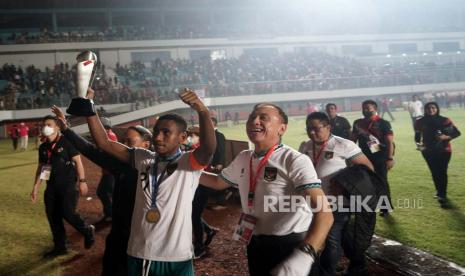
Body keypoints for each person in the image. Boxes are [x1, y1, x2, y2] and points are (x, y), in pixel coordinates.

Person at [86, 88, 216, 276]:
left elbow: (209, 148)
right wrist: (89, 107)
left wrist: (202, 111)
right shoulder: (143, 157)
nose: (157, 137)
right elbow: (104, 143)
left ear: (183, 137)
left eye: (165, 132)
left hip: (181, 255)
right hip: (147, 253)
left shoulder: (189, 162)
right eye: (156, 131)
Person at [200, 103, 334, 276]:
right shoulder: (244, 157)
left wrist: (304, 255)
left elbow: (324, 212)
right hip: (254, 241)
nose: (254, 121)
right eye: (252, 117)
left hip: (289, 245)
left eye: (263, 118)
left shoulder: (294, 160)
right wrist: (189, 172)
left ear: (282, 128)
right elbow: (219, 182)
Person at [52, 104, 152, 276]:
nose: (124, 145)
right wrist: (66, 129)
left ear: (146, 144)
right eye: (124, 140)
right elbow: (91, 150)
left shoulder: (157, 169)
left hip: (143, 240)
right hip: (118, 236)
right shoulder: (120, 165)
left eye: (130, 141)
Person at [299, 112, 373, 276]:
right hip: (313, 203)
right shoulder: (305, 146)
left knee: (330, 239)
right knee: (343, 236)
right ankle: (358, 263)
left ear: (328, 127)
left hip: (338, 204)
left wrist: (345, 186)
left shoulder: (344, 145)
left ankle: (326, 273)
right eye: (308, 129)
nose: (312, 132)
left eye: (316, 128)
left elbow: (367, 169)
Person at [30, 115, 95, 258]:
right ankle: (60, 246)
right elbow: (44, 168)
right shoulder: (43, 147)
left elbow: (78, 162)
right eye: (44, 124)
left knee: (68, 213)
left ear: (57, 127)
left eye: (49, 124)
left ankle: (87, 230)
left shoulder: (67, 142)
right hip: (51, 187)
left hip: (68, 186)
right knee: (53, 216)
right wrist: (36, 187)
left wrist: (82, 181)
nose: (45, 127)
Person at [352, 100, 395, 216]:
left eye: (368, 108)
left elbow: (390, 142)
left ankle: (385, 208)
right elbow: (352, 141)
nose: (365, 110)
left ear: (375, 108)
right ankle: (369, 206)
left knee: (381, 182)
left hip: (380, 156)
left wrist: (390, 158)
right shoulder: (357, 123)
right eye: (363, 108)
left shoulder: (383, 123)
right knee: (366, 182)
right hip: (363, 157)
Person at [414, 102, 461, 206]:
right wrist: (420, 146)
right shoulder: (420, 121)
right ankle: (439, 191)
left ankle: (442, 194)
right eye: (428, 108)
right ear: (425, 109)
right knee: (434, 171)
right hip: (428, 151)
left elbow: (457, 133)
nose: (431, 110)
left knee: (442, 171)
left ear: (437, 109)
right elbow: (417, 136)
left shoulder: (444, 120)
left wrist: (445, 137)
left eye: (433, 107)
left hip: (444, 150)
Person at [187, 125, 219, 259]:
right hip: (196, 186)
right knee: (193, 214)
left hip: (202, 187)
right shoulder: (195, 148)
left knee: (194, 216)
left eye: (192, 135)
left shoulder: (202, 150)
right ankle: (209, 230)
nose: (190, 138)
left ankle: (199, 247)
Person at [97, 117, 118, 221]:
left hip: (110, 171)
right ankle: (112, 214)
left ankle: (111, 214)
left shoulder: (109, 136)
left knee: (103, 192)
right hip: (109, 170)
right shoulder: (109, 135)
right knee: (110, 192)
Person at [209, 117, 229, 211]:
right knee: (213, 181)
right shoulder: (209, 134)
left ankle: (222, 203)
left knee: (220, 182)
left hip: (218, 163)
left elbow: (221, 150)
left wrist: (220, 163)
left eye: (210, 123)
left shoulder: (219, 135)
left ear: (215, 124)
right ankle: (216, 201)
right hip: (211, 163)